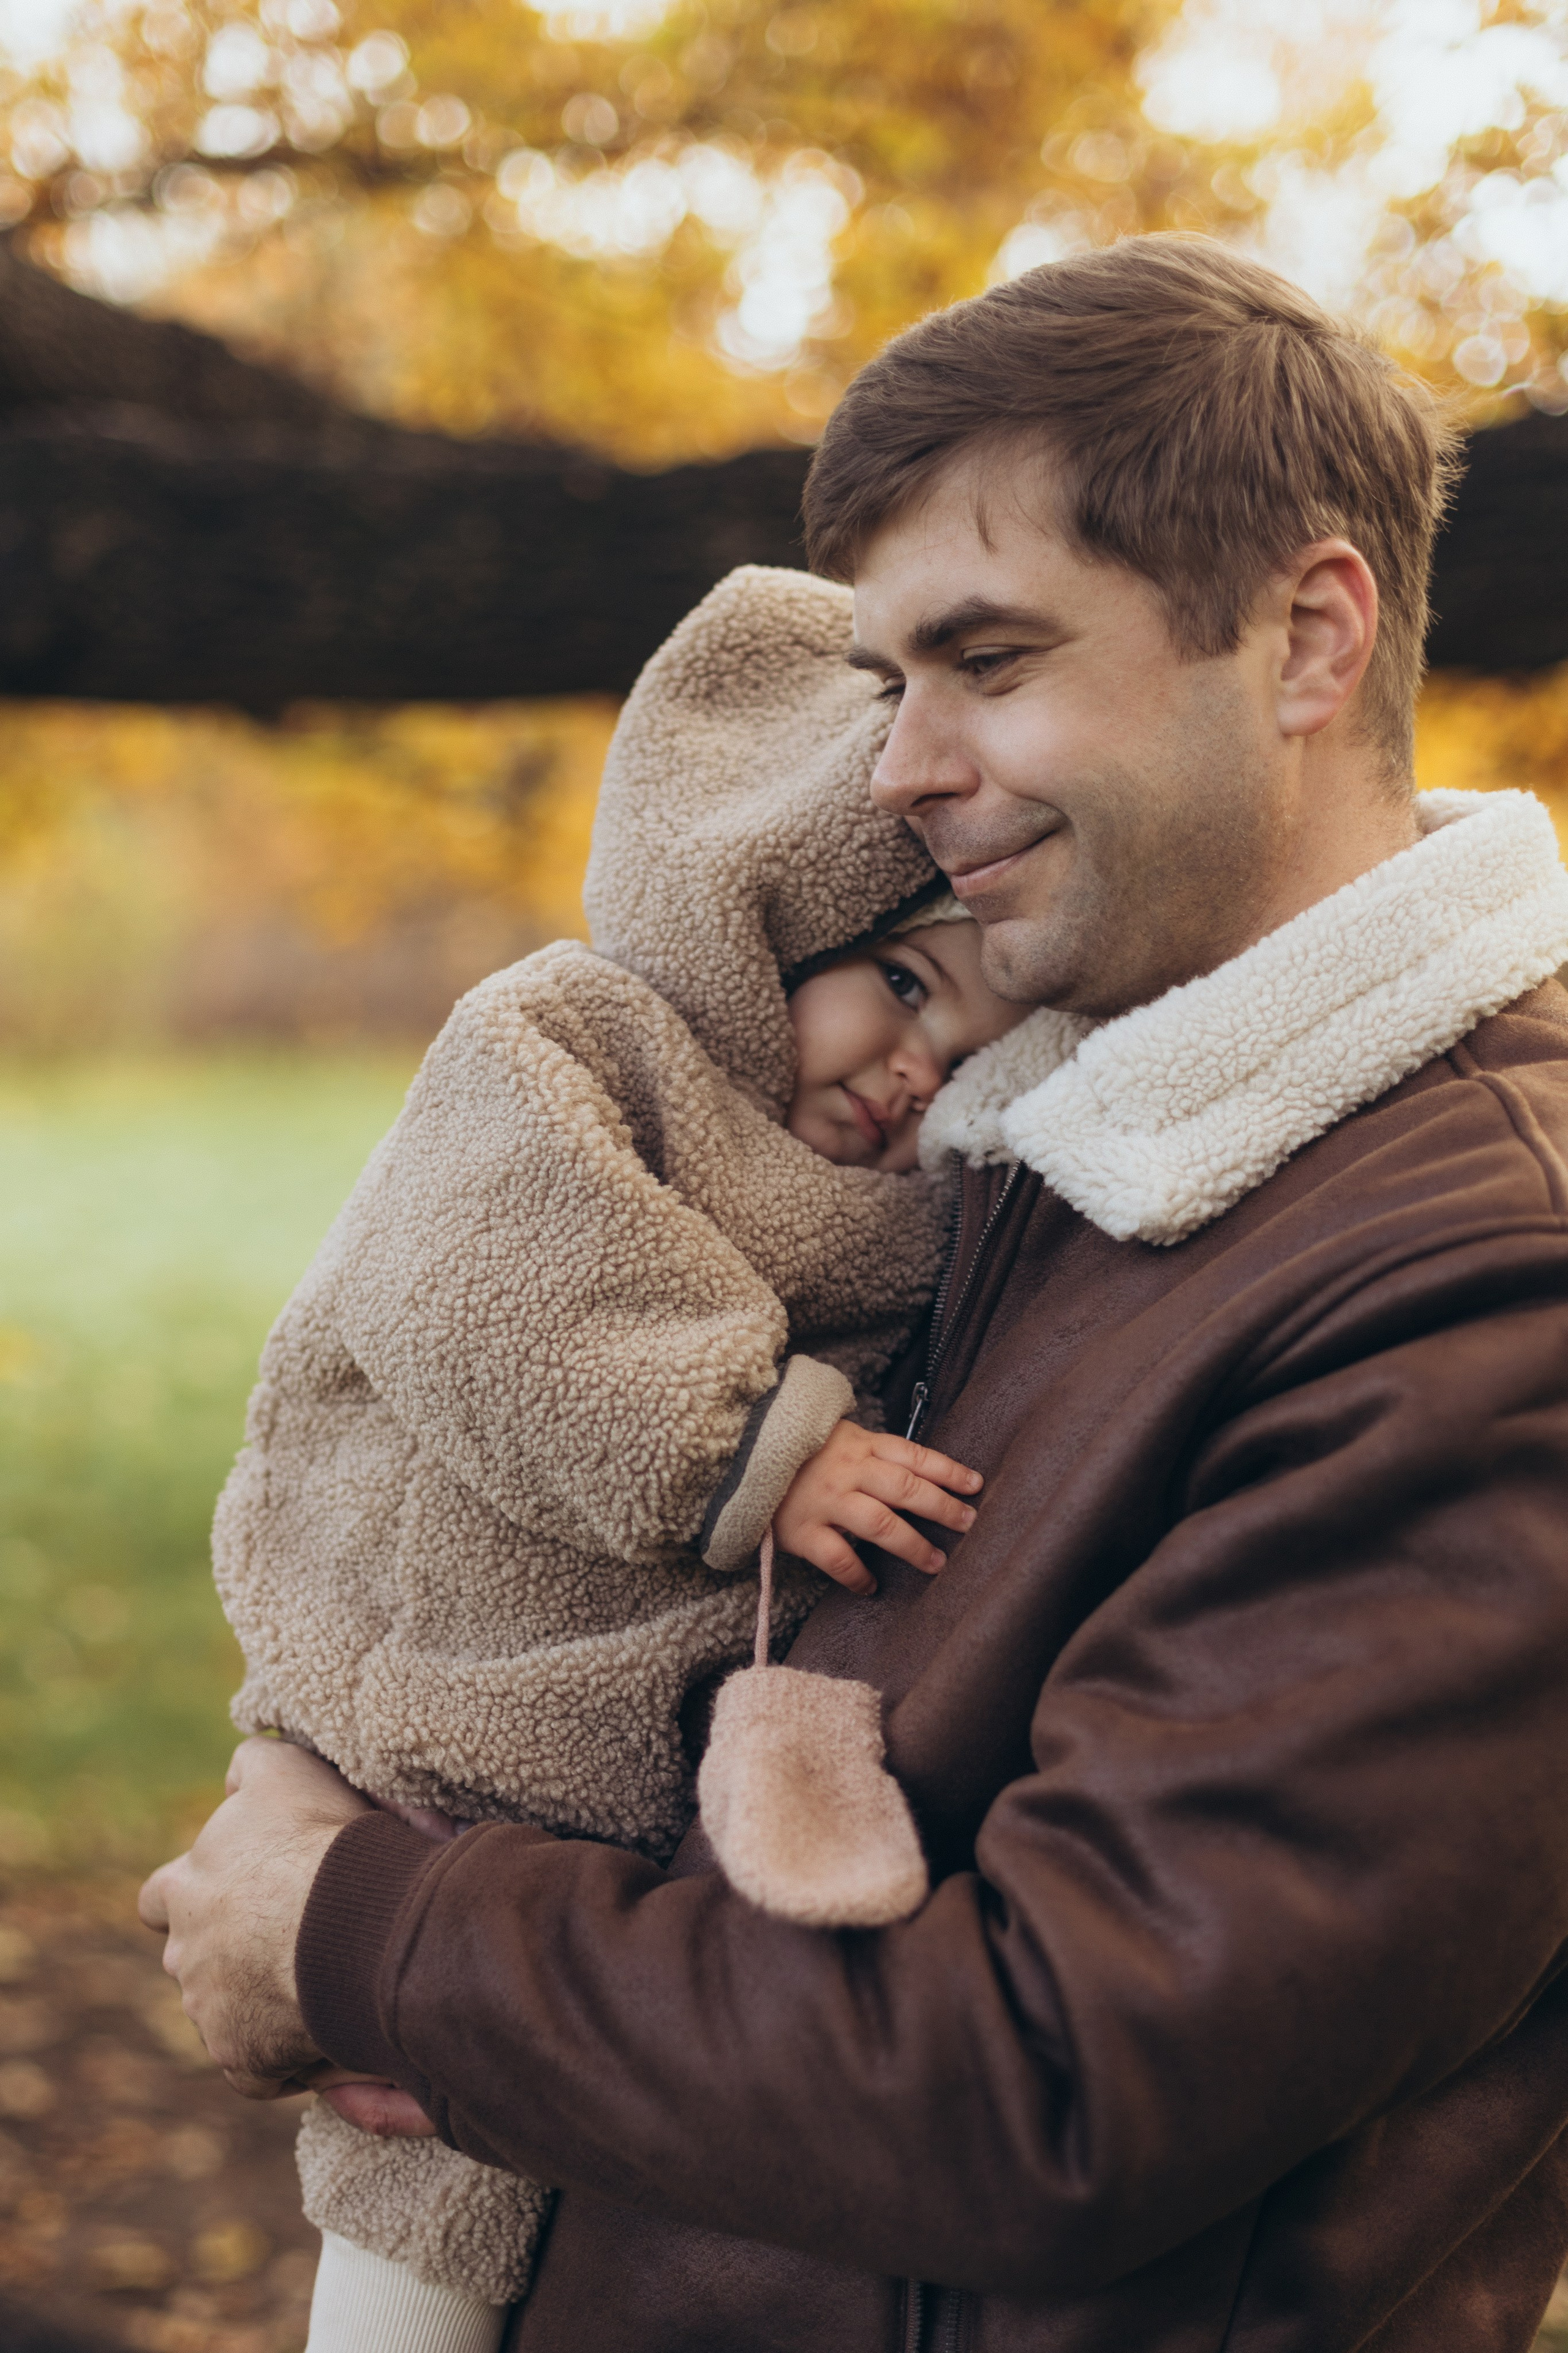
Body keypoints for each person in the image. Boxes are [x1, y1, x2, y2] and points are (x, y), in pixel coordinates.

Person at [142, 235, 1568, 2353]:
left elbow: (1057, 2084)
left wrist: (361, 1926)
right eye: (892, 680)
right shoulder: (1040, 1132)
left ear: (1306, 640)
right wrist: (349, 1766)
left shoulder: (1479, 1289)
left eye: (987, 660)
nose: (900, 765)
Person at [211, 562, 1025, 2351]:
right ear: (769, 899)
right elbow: (489, 1279)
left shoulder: (914, 1220)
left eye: (970, 1045)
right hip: (436, 1693)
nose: (916, 1070)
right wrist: (760, 1443)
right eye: (898, 977)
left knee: (546, 2179)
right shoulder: (581, 1040)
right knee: (414, 2237)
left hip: (617, 1826)